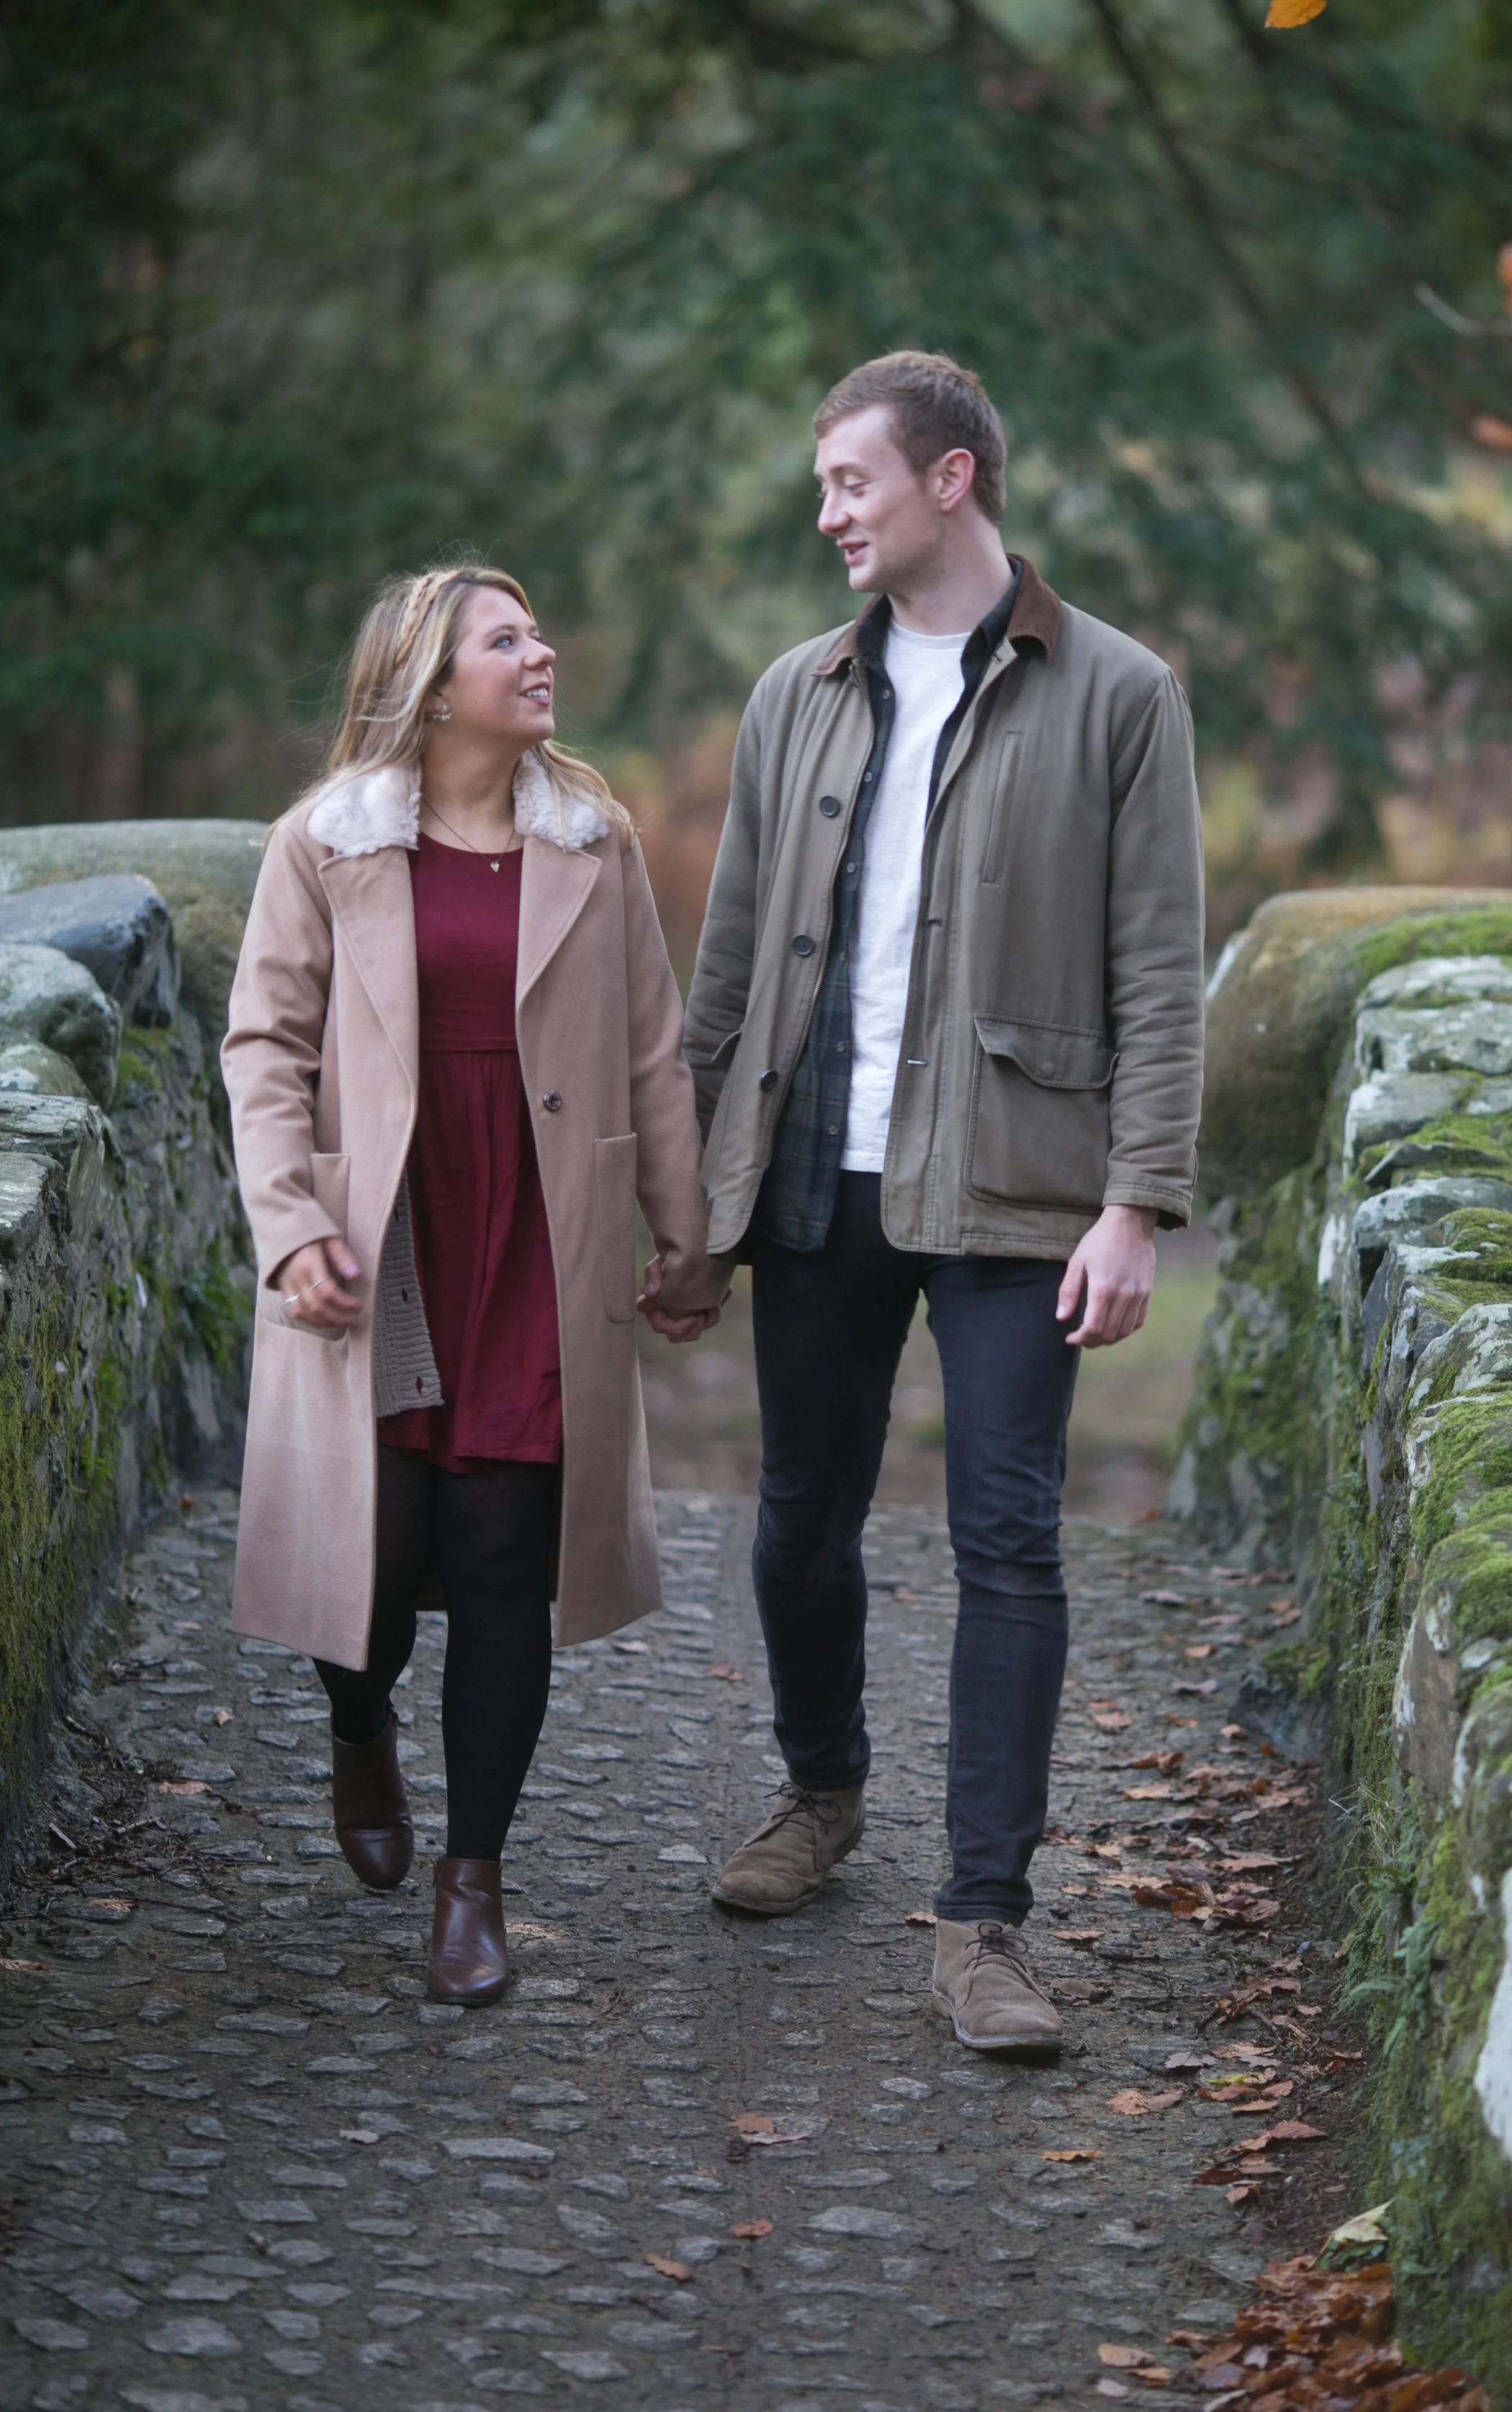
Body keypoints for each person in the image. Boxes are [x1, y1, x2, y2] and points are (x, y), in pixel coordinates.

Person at [684, 353, 1205, 2051]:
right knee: (797, 1517)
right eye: (825, 485)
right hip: (815, 1169)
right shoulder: (795, 693)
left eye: (850, 481)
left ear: (950, 479)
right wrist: (691, 1198)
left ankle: (983, 1922)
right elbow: (730, 965)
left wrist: (1136, 1202)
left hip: (1017, 1185)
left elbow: (1157, 974)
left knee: (1008, 1542)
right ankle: (821, 1796)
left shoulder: (1117, 690)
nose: (827, 511)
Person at [223, 564, 729, 2006]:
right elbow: (264, 1048)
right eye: (506, 638)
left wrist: (684, 1244)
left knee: (506, 1549)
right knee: (366, 1571)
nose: (540, 650)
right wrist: (288, 1221)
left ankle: (474, 1880)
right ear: (434, 682)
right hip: (380, 1238)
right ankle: (359, 1723)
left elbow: (650, 1049)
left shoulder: (593, 840)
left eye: (537, 630)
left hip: (533, 1231)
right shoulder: (324, 843)